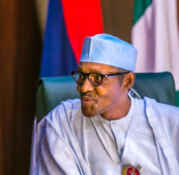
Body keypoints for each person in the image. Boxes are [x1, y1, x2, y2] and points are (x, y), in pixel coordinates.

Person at [31, 34, 179, 175]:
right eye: (82, 76)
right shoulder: (61, 122)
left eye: (97, 78)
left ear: (127, 81)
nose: (84, 88)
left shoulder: (171, 123)